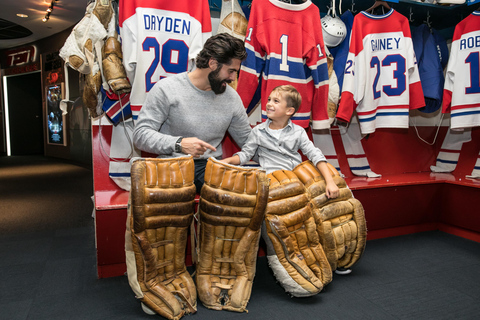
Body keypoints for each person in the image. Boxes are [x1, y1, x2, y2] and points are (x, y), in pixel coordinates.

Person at [133, 33, 252, 193]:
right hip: (172, 166)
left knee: (244, 197)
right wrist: (179, 144)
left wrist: (284, 158)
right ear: (213, 63)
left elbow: (249, 142)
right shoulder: (166, 89)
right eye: (230, 71)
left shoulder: (231, 98)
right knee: (168, 204)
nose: (233, 78)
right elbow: (140, 135)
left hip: (210, 168)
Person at [222, 85, 340, 199]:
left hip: (296, 182)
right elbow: (245, 154)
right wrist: (227, 161)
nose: (269, 103)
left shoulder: (298, 132)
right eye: (269, 99)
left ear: (289, 111)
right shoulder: (258, 131)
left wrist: (330, 182)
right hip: (269, 183)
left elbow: (315, 154)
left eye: (276, 101)